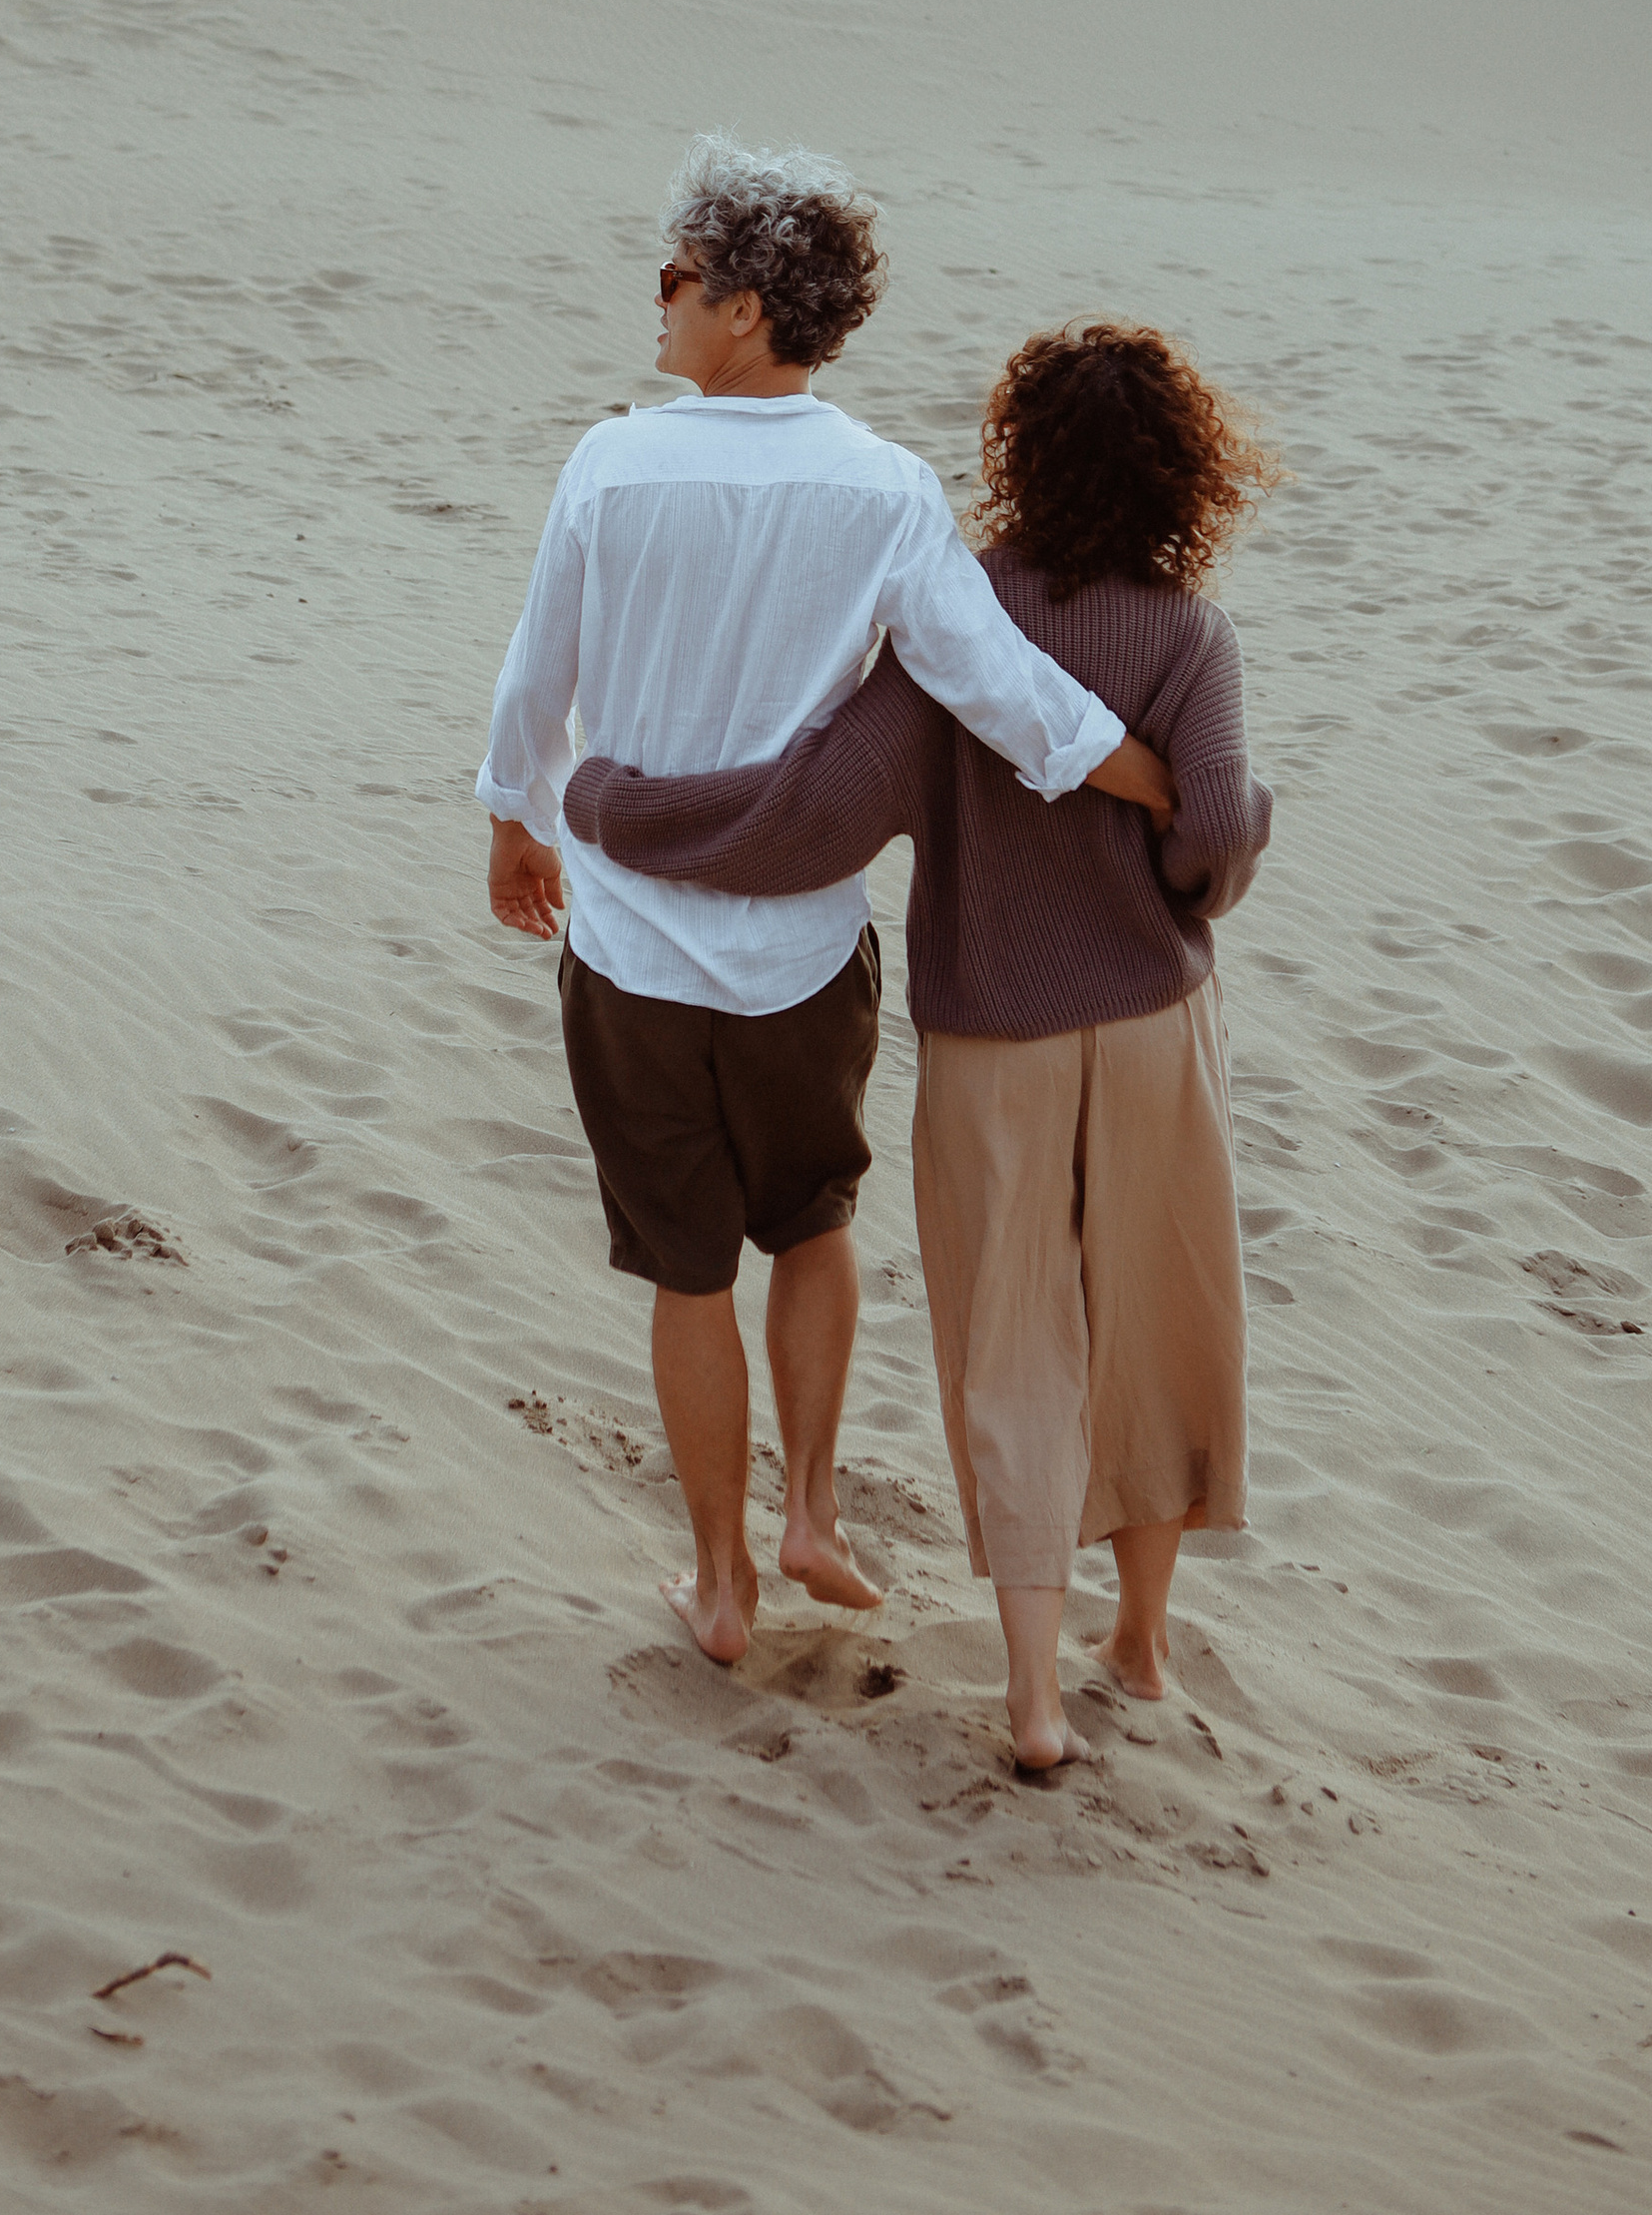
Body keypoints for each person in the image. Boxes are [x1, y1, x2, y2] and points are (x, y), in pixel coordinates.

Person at [478, 140, 1172, 1670]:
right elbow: (999, 690)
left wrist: (512, 820)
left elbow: (539, 671)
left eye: (677, 277)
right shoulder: (885, 488)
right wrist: (1153, 779)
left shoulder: (611, 464)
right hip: (799, 953)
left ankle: (722, 1580)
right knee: (812, 1226)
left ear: (742, 307)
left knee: (686, 1272)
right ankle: (808, 1515)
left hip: (632, 949)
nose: (658, 299)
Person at [563, 320, 1275, 1771]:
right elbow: (1209, 838)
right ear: (1184, 472)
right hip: (1151, 1026)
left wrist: (615, 803)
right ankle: (1139, 1646)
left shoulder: (960, 614)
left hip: (994, 1038)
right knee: (1150, 1322)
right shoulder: (1190, 633)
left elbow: (820, 816)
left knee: (1014, 1345)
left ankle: (1032, 1699)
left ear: (1021, 455)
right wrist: (1223, 837)